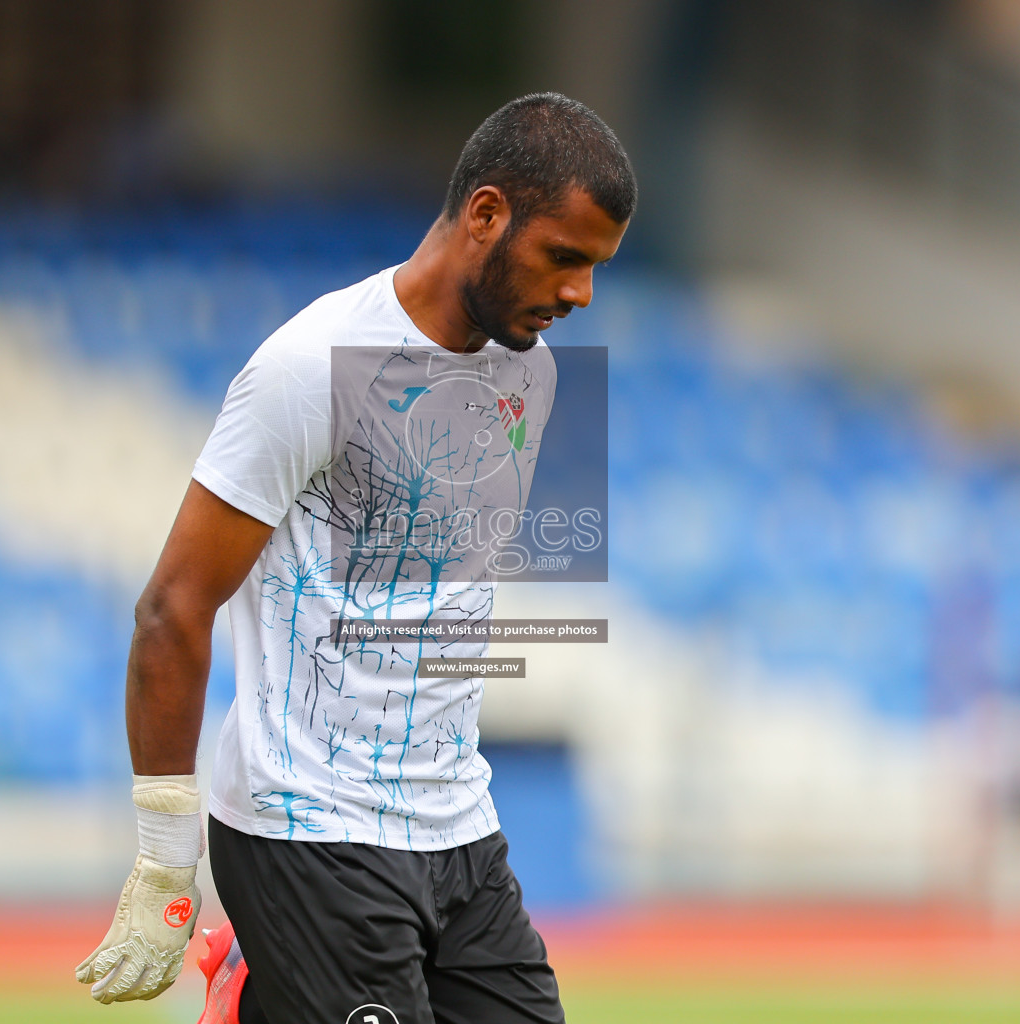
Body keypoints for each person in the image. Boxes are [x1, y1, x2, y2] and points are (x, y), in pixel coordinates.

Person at [76, 92, 634, 1024]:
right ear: (487, 215)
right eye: (564, 257)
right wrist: (165, 858)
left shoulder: (531, 376)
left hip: (459, 826)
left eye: (595, 268)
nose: (579, 293)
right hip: (309, 828)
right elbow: (172, 607)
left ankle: (258, 994)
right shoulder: (311, 365)